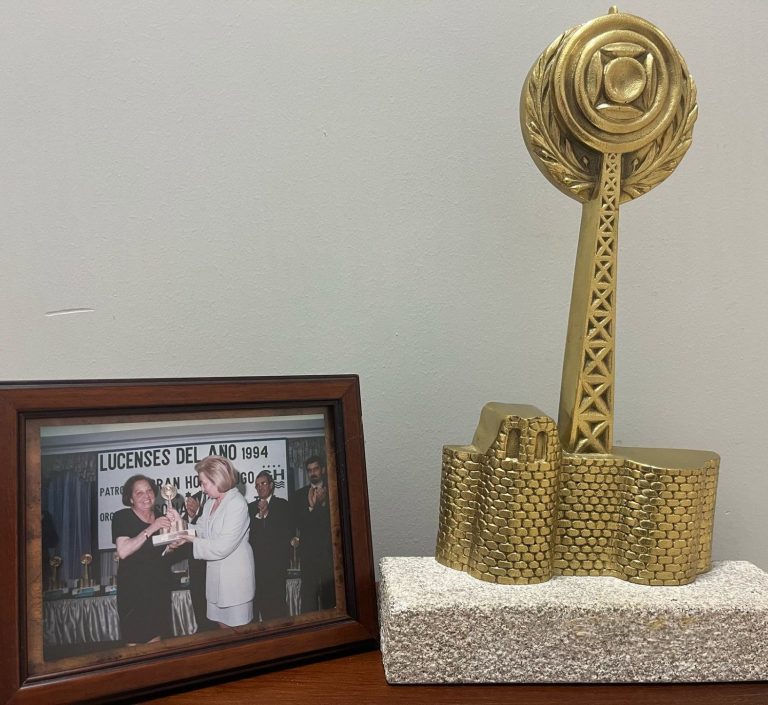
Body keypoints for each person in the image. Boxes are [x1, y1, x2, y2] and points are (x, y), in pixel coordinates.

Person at [174, 456, 255, 628]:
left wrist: (189, 538)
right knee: (223, 633)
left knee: (240, 637)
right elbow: (201, 530)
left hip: (234, 583)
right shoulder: (211, 503)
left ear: (218, 479)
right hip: (215, 582)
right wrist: (181, 524)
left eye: (204, 483)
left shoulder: (237, 504)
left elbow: (221, 547)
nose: (202, 489)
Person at [112, 475, 174, 644]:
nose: (146, 496)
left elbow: (161, 552)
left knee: (158, 645)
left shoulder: (161, 516)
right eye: (139, 493)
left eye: (149, 491)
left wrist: (172, 546)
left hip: (158, 590)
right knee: (135, 646)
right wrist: (152, 528)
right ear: (130, 498)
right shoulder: (122, 517)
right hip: (134, 594)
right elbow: (123, 551)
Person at [291, 456, 335, 613]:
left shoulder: (334, 491)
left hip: (328, 555)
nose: (313, 473)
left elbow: (333, 522)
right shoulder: (299, 495)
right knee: (308, 598)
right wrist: (313, 507)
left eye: (315, 469)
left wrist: (321, 505)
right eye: (309, 470)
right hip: (308, 555)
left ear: (322, 470)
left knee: (329, 598)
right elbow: (299, 524)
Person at [248, 470, 292, 621]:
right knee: (256, 609)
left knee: (276, 610)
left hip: (275, 569)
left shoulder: (283, 505)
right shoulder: (249, 508)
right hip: (255, 569)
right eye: (257, 485)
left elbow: (284, 534)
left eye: (263, 483)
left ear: (272, 485)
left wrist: (266, 514)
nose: (260, 487)